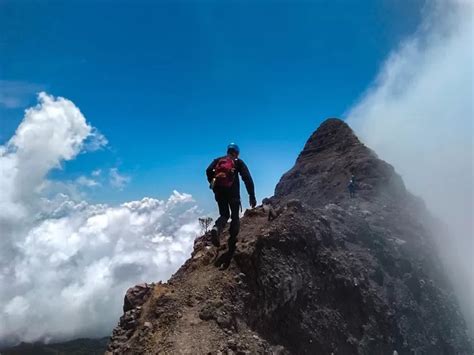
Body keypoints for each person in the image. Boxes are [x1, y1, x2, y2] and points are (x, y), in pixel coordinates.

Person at [206, 143, 256, 267]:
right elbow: (247, 178)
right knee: (234, 217)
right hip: (233, 193)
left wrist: (214, 183)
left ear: (228, 150)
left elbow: (208, 170)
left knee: (224, 214)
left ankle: (216, 228)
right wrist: (251, 195)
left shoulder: (218, 161)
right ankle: (232, 241)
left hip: (219, 192)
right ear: (237, 152)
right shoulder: (238, 162)